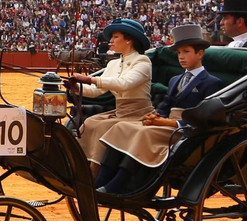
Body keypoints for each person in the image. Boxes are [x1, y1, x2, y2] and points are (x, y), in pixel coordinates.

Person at [94, 23, 225, 196]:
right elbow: (165, 107)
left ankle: (119, 183)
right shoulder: (175, 79)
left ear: (200, 54)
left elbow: (205, 117)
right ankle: (102, 178)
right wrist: (155, 116)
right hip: (165, 124)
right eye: (179, 53)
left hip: (186, 130)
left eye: (186, 52)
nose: (181, 57)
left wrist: (170, 122)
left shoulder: (212, 83)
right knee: (122, 127)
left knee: (143, 133)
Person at [64, 18, 154, 170]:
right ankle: (78, 165)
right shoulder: (113, 64)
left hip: (139, 114)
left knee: (102, 126)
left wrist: (90, 79)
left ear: (129, 40)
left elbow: (124, 84)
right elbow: (97, 91)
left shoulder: (142, 62)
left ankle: (94, 171)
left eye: (115, 37)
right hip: (120, 112)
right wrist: (76, 87)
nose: (110, 41)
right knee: (90, 123)